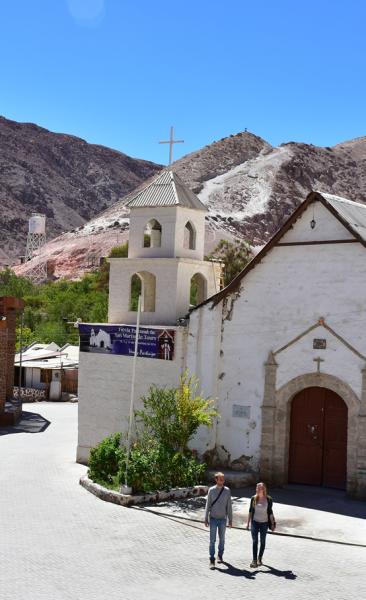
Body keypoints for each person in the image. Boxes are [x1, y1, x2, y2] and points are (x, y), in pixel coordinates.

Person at [204, 472, 233, 569]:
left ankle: (220, 555)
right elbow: (207, 505)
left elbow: (229, 506)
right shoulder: (211, 490)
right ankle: (212, 559)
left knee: (222, 539)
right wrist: (205, 518)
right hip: (213, 519)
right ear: (216, 480)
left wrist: (230, 519)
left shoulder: (227, 491)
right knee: (212, 540)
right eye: (220, 479)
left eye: (223, 479)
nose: (222, 481)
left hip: (223, 519)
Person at [246, 482, 276, 568]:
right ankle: (254, 560)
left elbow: (270, 512)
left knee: (262, 541)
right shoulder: (253, 498)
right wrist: (248, 523)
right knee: (255, 541)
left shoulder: (269, 499)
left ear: (264, 489)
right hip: (255, 522)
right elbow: (250, 511)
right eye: (257, 488)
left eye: (260, 488)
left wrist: (273, 524)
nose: (258, 489)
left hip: (264, 523)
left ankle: (260, 558)